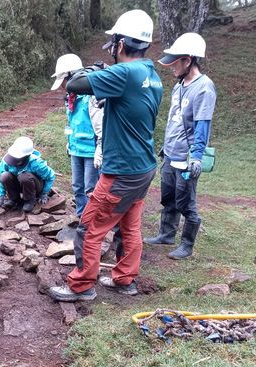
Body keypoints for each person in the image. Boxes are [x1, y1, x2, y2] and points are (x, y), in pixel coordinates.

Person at [48, 9, 163, 302]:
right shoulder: (151, 74)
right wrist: (103, 73)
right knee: (130, 225)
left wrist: (94, 70)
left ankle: (81, 285)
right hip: (144, 167)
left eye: (113, 43)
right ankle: (125, 279)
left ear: (121, 44)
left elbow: (74, 85)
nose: (112, 49)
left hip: (122, 170)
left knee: (89, 227)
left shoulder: (123, 73)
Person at [144, 33, 216, 259]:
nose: (171, 66)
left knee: (186, 202)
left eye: (175, 62)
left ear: (188, 60)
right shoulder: (179, 86)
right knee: (168, 197)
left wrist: (195, 157)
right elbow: (174, 119)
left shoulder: (204, 88)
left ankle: (187, 244)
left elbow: (202, 126)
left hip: (187, 158)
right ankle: (166, 234)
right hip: (170, 154)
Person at [51, 54, 104, 217]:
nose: (62, 87)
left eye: (64, 82)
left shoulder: (91, 97)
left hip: (90, 151)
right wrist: (69, 142)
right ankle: (82, 216)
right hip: (75, 149)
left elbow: (100, 125)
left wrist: (99, 148)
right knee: (77, 186)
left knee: (91, 188)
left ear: (73, 76)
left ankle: (92, 220)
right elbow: (71, 123)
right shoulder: (70, 98)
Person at [0, 136, 56, 213]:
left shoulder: (36, 163)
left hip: (35, 187)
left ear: (26, 157)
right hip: (19, 185)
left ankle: (29, 200)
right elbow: (0, 178)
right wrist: (0, 198)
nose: (13, 161)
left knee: (24, 176)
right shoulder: (6, 159)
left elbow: (50, 177)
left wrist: (44, 194)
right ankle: (14, 198)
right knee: (4, 176)